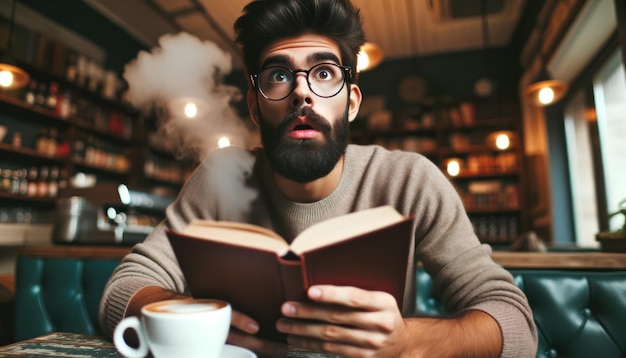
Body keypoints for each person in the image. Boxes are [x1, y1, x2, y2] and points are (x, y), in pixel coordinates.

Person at [99, 0, 538, 356]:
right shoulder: (220, 177)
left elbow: (514, 324)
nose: (302, 91)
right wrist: (191, 315)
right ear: (255, 105)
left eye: (324, 73)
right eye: (279, 76)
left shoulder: (409, 180)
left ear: (351, 101)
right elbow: (124, 289)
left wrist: (409, 341)